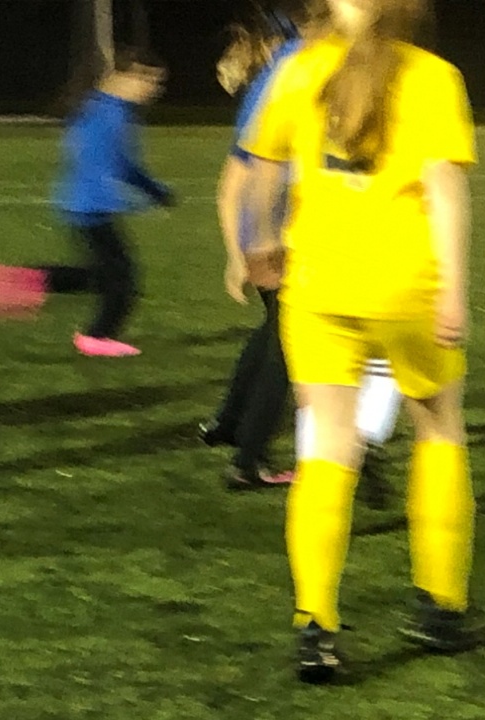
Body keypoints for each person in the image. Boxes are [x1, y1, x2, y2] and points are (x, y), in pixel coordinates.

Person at [241, 0, 476, 682]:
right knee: (439, 425)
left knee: (326, 446)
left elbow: (260, 169)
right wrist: (454, 288)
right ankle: (440, 605)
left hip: (318, 285)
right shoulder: (432, 75)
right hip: (407, 286)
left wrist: (260, 243)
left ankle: (315, 626)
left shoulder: (298, 71)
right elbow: (444, 188)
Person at [0, 47, 174, 356]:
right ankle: (97, 337)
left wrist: (155, 191)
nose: (154, 89)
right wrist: (136, 203)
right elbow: (97, 166)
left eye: (157, 83)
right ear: (125, 76)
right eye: (149, 80)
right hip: (91, 208)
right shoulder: (107, 114)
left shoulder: (107, 108)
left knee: (98, 276)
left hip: (83, 205)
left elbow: (124, 165)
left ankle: (17, 282)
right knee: (123, 280)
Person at [200, 11, 304, 488]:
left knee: (273, 332)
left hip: (261, 232)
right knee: (289, 344)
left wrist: (237, 250)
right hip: (287, 234)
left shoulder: (271, 75)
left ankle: (227, 423)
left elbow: (230, 183)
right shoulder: (302, 67)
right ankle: (248, 460)